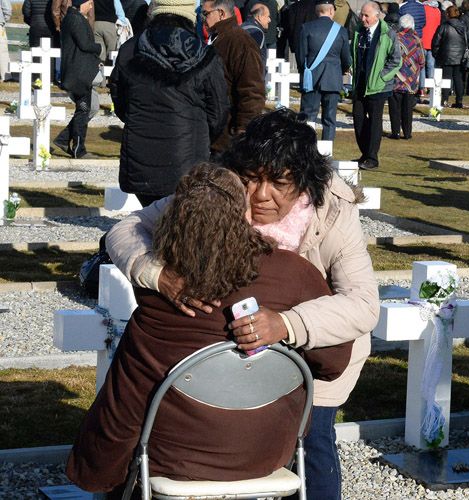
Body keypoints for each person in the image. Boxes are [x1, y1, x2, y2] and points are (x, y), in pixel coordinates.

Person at [105, 109, 379, 500]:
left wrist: (286, 324)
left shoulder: (334, 212)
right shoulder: (223, 193)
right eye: (253, 179)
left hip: (318, 354)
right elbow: (127, 228)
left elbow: (365, 304)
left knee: (313, 443)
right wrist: (157, 275)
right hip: (220, 353)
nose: (261, 195)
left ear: (303, 183)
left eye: (278, 183)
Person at [66, 164, 348, 496]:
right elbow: (334, 363)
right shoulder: (296, 275)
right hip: (266, 452)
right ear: (244, 215)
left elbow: (126, 399)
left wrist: (101, 473)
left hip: (172, 460)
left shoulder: (160, 295)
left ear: (171, 222)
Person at [108, 0, 229, 206]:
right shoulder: (204, 53)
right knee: (181, 227)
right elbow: (218, 111)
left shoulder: (131, 49)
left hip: (141, 158)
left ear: (154, 11)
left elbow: (120, 101)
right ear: (190, 14)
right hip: (188, 159)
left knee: (149, 224)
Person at [203, 0, 265, 156]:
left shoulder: (240, 42)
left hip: (227, 139)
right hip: (213, 135)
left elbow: (252, 92)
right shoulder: (218, 38)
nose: (202, 18)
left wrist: (242, 133)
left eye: (206, 13)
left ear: (221, 13)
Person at [351, 1, 402, 170]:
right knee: (358, 119)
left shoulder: (387, 33)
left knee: (374, 121)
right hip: (360, 83)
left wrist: (381, 77)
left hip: (378, 86)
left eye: (366, 15)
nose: (362, 18)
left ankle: (372, 157)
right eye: (362, 15)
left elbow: (396, 60)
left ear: (377, 16)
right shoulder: (359, 31)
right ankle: (364, 153)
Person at [297, 0, 351, 141]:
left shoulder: (306, 28)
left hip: (311, 79)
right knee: (329, 119)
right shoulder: (341, 31)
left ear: (316, 11)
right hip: (332, 78)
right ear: (332, 11)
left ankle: (305, 151)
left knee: (308, 118)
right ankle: (327, 154)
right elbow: (346, 58)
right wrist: (343, 70)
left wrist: (305, 72)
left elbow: (301, 56)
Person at [54, 0, 100, 159]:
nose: (91, 6)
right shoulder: (76, 19)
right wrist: (99, 48)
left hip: (77, 71)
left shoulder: (71, 18)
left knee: (88, 108)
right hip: (79, 73)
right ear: (83, 3)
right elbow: (85, 45)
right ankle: (78, 149)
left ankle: (63, 139)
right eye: (90, 3)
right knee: (84, 109)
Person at [387, 13, 424, 139]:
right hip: (411, 80)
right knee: (408, 109)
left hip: (396, 77)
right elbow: (422, 60)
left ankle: (395, 132)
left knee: (394, 107)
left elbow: (389, 56)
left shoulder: (395, 38)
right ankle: (407, 133)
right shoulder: (417, 40)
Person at [432, 5, 468, 108]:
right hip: (460, 57)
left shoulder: (443, 26)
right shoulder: (464, 27)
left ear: (448, 14)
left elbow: (436, 42)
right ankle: (459, 101)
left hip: (446, 56)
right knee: (458, 79)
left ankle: (444, 100)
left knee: (446, 79)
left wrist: (437, 55)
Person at [93, 0, 129, 64]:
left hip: (96, 24)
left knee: (100, 53)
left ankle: (100, 70)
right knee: (111, 55)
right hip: (110, 25)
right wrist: (124, 24)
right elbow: (120, 12)